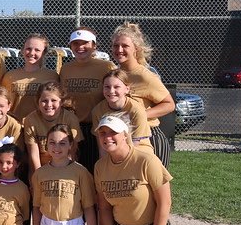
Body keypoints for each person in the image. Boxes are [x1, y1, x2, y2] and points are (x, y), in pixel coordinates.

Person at [31, 126, 99, 225]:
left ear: (70, 145)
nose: (56, 147)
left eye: (62, 143)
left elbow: (89, 208)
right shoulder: (40, 173)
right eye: (52, 142)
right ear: (46, 145)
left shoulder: (80, 172)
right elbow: (36, 207)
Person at [111, 22, 175, 168]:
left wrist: (140, 115)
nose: (119, 50)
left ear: (136, 49)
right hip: (125, 136)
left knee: (154, 181)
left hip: (149, 136)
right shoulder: (114, 74)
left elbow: (169, 104)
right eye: (115, 45)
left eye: (125, 46)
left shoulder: (145, 75)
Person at [59, 28, 115, 171]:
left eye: (85, 43)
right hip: (72, 127)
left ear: (94, 45)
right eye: (75, 43)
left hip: (96, 127)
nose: (80, 47)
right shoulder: (65, 69)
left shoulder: (106, 67)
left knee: (96, 169)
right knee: (72, 170)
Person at [22, 81, 82, 173]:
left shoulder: (70, 118)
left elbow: (72, 152)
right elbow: (33, 155)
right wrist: (40, 175)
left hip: (65, 166)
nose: (49, 105)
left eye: (53, 100)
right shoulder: (30, 120)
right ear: (38, 102)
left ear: (61, 102)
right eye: (44, 101)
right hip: (41, 167)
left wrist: (65, 173)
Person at [90, 69, 154, 156]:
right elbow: (101, 145)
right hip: (112, 152)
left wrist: (121, 161)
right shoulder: (97, 111)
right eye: (107, 87)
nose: (111, 91)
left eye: (116, 87)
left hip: (139, 152)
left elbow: (135, 143)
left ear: (127, 89)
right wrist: (104, 162)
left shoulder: (136, 110)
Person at [1, 33, 58, 120]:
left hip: (41, 124)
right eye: (28, 49)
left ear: (44, 53)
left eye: (37, 50)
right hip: (15, 124)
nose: (32, 53)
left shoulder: (52, 76)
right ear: (22, 50)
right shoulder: (10, 76)